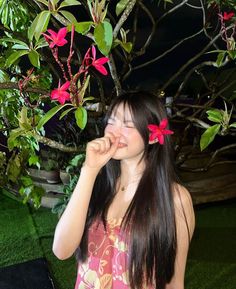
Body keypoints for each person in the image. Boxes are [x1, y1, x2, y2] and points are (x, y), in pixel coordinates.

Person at [52, 91, 195, 289]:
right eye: (111, 121)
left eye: (128, 124)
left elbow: (174, 281)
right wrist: (89, 170)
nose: (114, 132)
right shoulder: (95, 185)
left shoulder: (174, 198)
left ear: (153, 137)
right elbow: (61, 250)